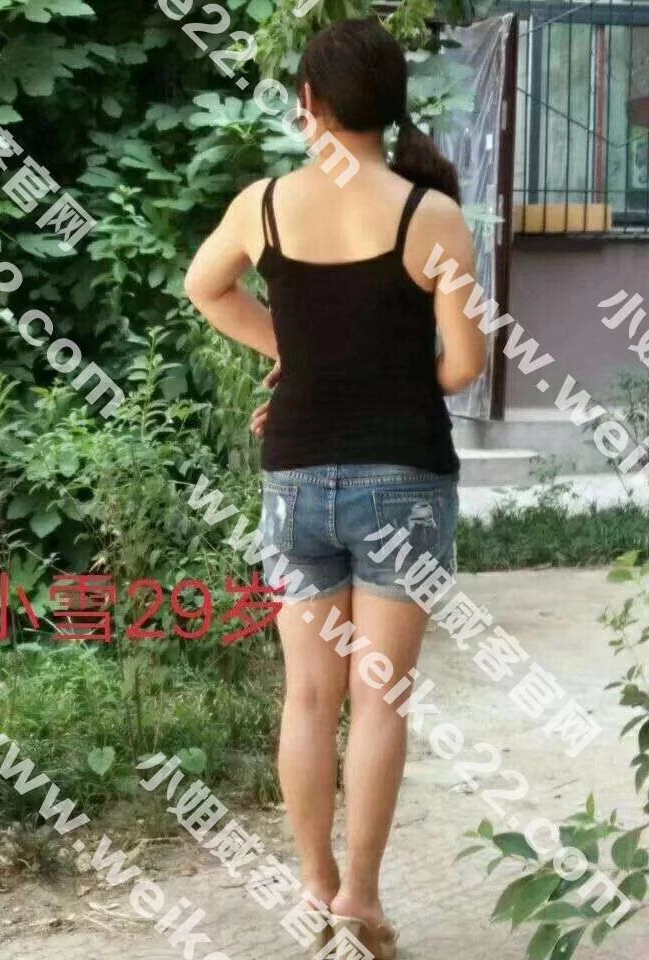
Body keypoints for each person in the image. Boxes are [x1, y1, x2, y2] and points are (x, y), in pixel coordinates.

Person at [185, 16, 486, 958]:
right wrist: (379, 377)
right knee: (380, 698)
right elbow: (463, 366)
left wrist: (298, 357)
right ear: (390, 103)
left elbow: (205, 287)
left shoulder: (265, 204)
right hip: (406, 481)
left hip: (296, 480)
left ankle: (314, 891)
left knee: (309, 699)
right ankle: (362, 900)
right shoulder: (432, 216)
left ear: (308, 102)